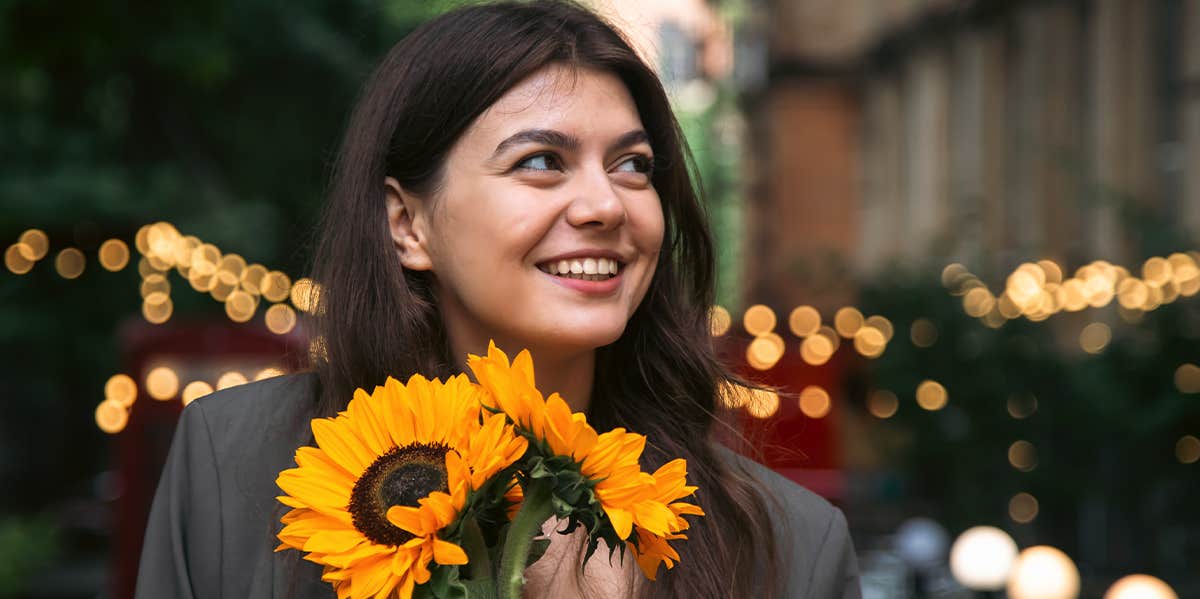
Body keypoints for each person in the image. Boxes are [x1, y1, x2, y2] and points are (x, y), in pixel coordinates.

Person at [135, 1, 861, 598]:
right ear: (407, 224)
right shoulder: (233, 463)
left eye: (633, 165)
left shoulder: (791, 548)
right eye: (541, 161)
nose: (606, 204)